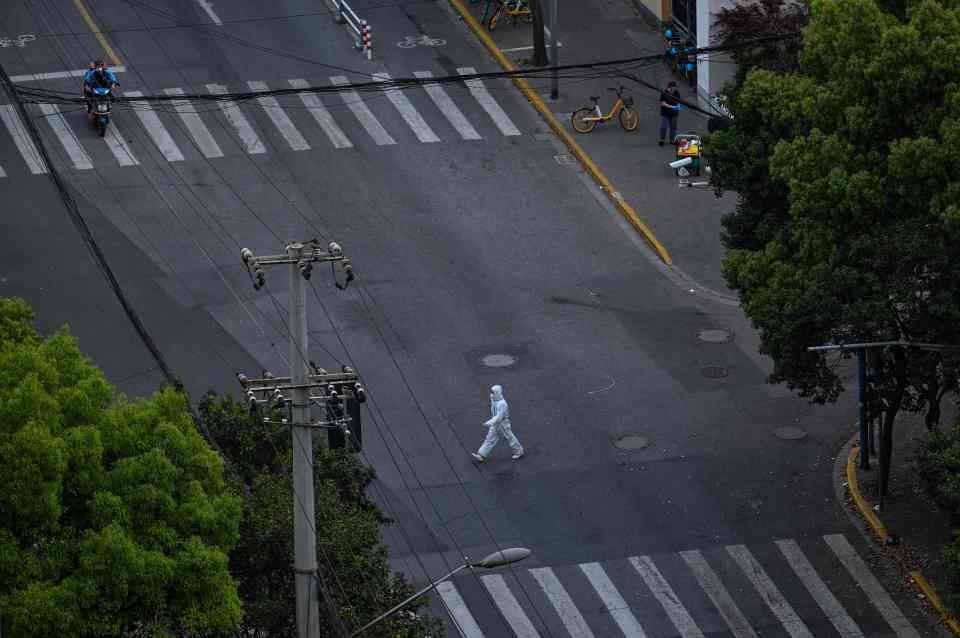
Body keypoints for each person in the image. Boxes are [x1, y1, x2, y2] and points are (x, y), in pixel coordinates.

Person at [471, 384, 524, 462]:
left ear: (498, 393)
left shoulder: (502, 404)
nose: (491, 395)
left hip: (502, 423)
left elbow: (499, 417)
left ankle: (519, 451)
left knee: (509, 437)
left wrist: (489, 422)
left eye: (493, 393)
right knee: (489, 438)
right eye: (491, 392)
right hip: (495, 424)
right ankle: (481, 454)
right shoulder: (494, 398)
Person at [658, 81, 681, 146]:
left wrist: (678, 106)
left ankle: (672, 140)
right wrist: (671, 107)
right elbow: (662, 103)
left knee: (673, 127)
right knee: (664, 126)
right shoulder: (664, 93)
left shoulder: (676, 93)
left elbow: (679, 101)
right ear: (671, 87)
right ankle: (662, 140)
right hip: (665, 113)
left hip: (674, 113)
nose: (676, 88)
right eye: (675, 87)